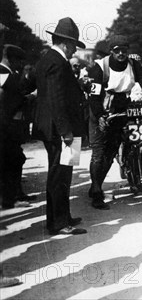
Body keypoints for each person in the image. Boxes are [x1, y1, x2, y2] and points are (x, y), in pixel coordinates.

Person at [87, 35, 142, 210]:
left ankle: (133, 170)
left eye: (124, 50)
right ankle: (96, 192)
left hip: (121, 106)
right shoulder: (100, 67)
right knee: (99, 153)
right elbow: (93, 97)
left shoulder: (133, 64)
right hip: (101, 107)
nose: (121, 53)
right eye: (117, 50)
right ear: (111, 51)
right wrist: (100, 116)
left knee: (113, 148)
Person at [32, 17, 87, 235]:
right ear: (65, 43)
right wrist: (66, 131)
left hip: (56, 128)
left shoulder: (49, 59)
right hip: (59, 129)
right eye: (74, 45)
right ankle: (59, 223)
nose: (75, 50)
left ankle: (61, 217)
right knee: (59, 175)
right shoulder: (56, 61)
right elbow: (56, 100)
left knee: (62, 173)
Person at [0, 44, 37, 209]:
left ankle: (15, 194)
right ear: (10, 58)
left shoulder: (8, 73)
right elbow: (9, 100)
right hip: (6, 125)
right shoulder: (4, 73)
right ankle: (10, 198)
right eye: (18, 60)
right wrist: (31, 97)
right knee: (12, 160)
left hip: (9, 124)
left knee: (15, 159)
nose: (21, 64)